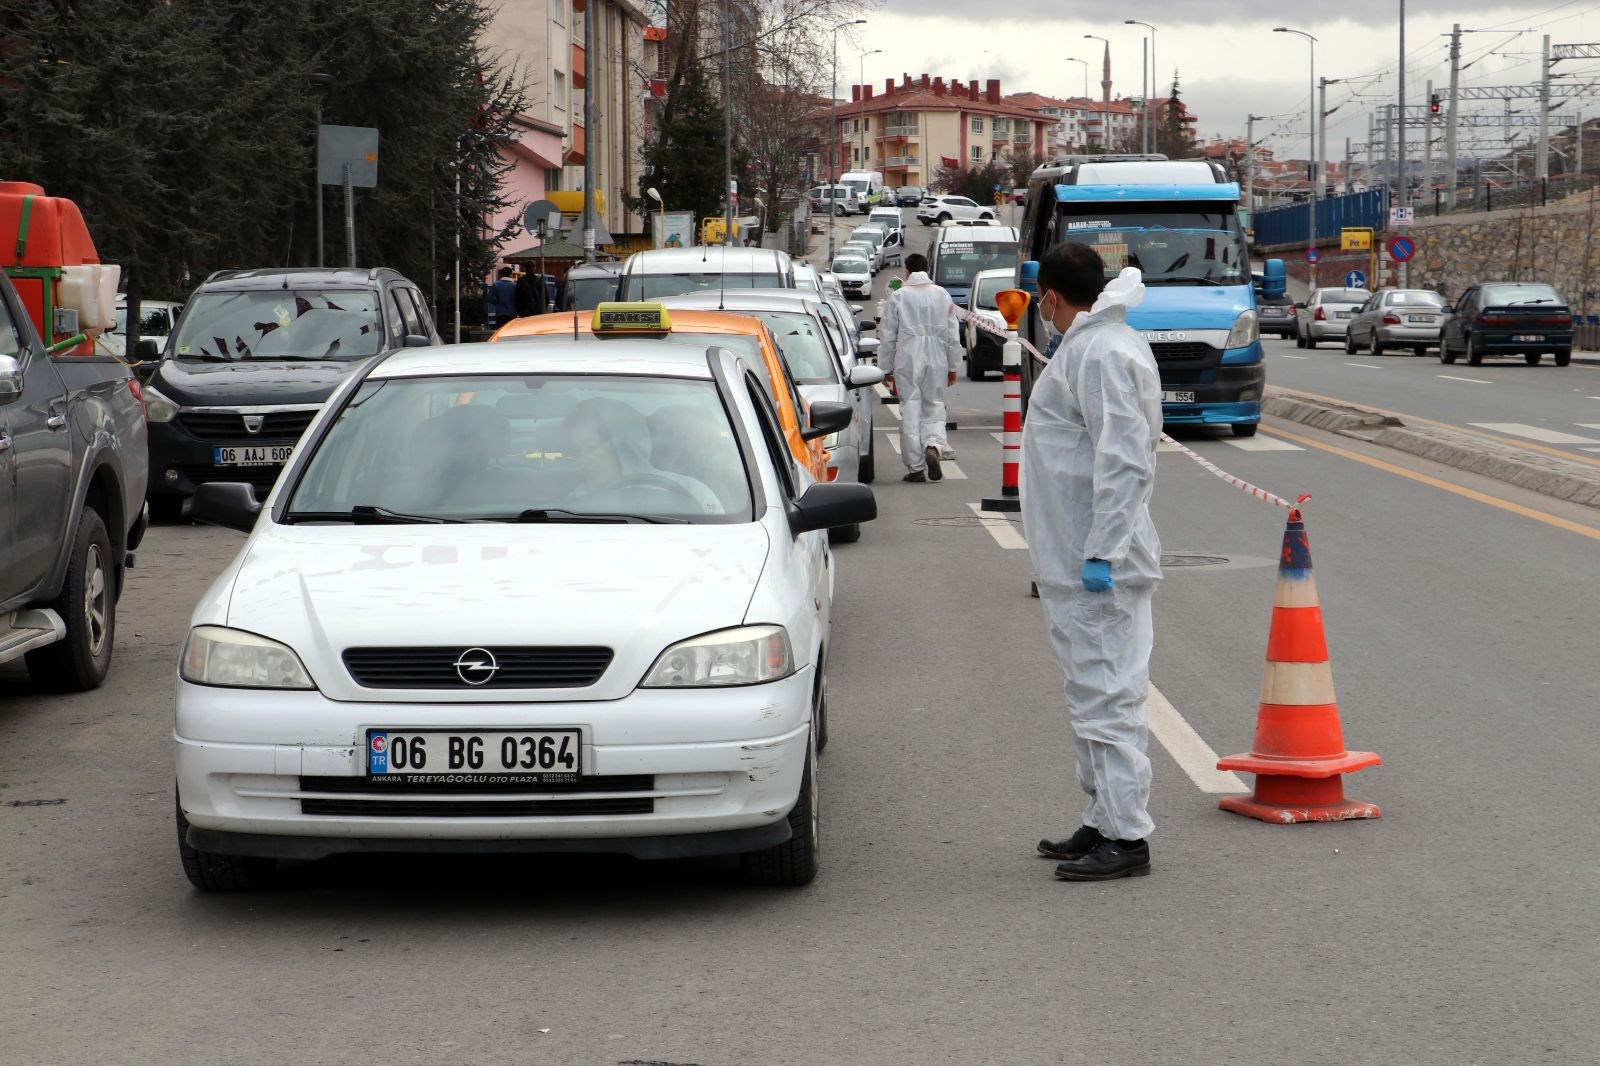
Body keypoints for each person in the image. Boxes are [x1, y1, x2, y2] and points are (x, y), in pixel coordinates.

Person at [1023, 243, 1163, 883]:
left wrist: (1102, 550)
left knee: (1109, 695)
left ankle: (1128, 836)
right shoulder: (1091, 347)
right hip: (1074, 551)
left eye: (1040, 300)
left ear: (1051, 297)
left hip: (1094, 556)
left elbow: (1125, 459)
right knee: (1090, 693)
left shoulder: (1103, 352)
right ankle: (1105, 817)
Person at [877, 253, 960, 482]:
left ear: (907, 271)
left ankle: (915, 468)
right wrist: (953, 366)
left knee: (911, 407)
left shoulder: (900, 296)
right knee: (934, 404)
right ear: (926, 270)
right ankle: (933, 444)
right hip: (937, 355)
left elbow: (888, 335)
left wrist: (884, 368)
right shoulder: (942, 294)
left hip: (909, 355)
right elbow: (953, 334)